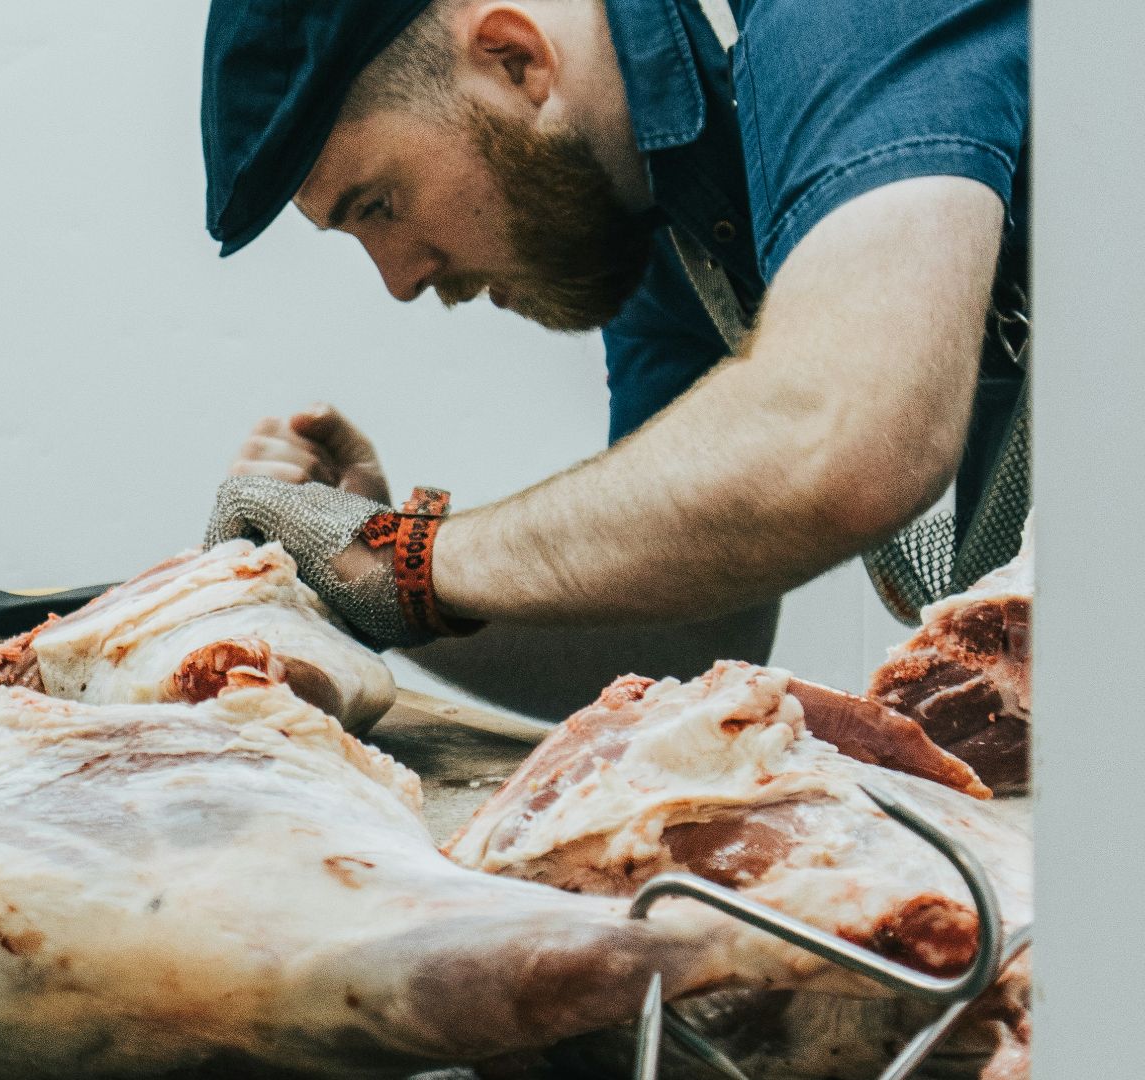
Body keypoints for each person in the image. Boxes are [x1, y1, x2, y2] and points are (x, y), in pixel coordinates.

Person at [197, 0, 1029, 718]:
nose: (401, 280)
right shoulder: (656, 219)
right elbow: (691, 634)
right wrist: (375, 585)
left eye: (379, 205)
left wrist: (403, 559)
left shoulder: (837, 20)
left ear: (513, 56)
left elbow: (848, 433)